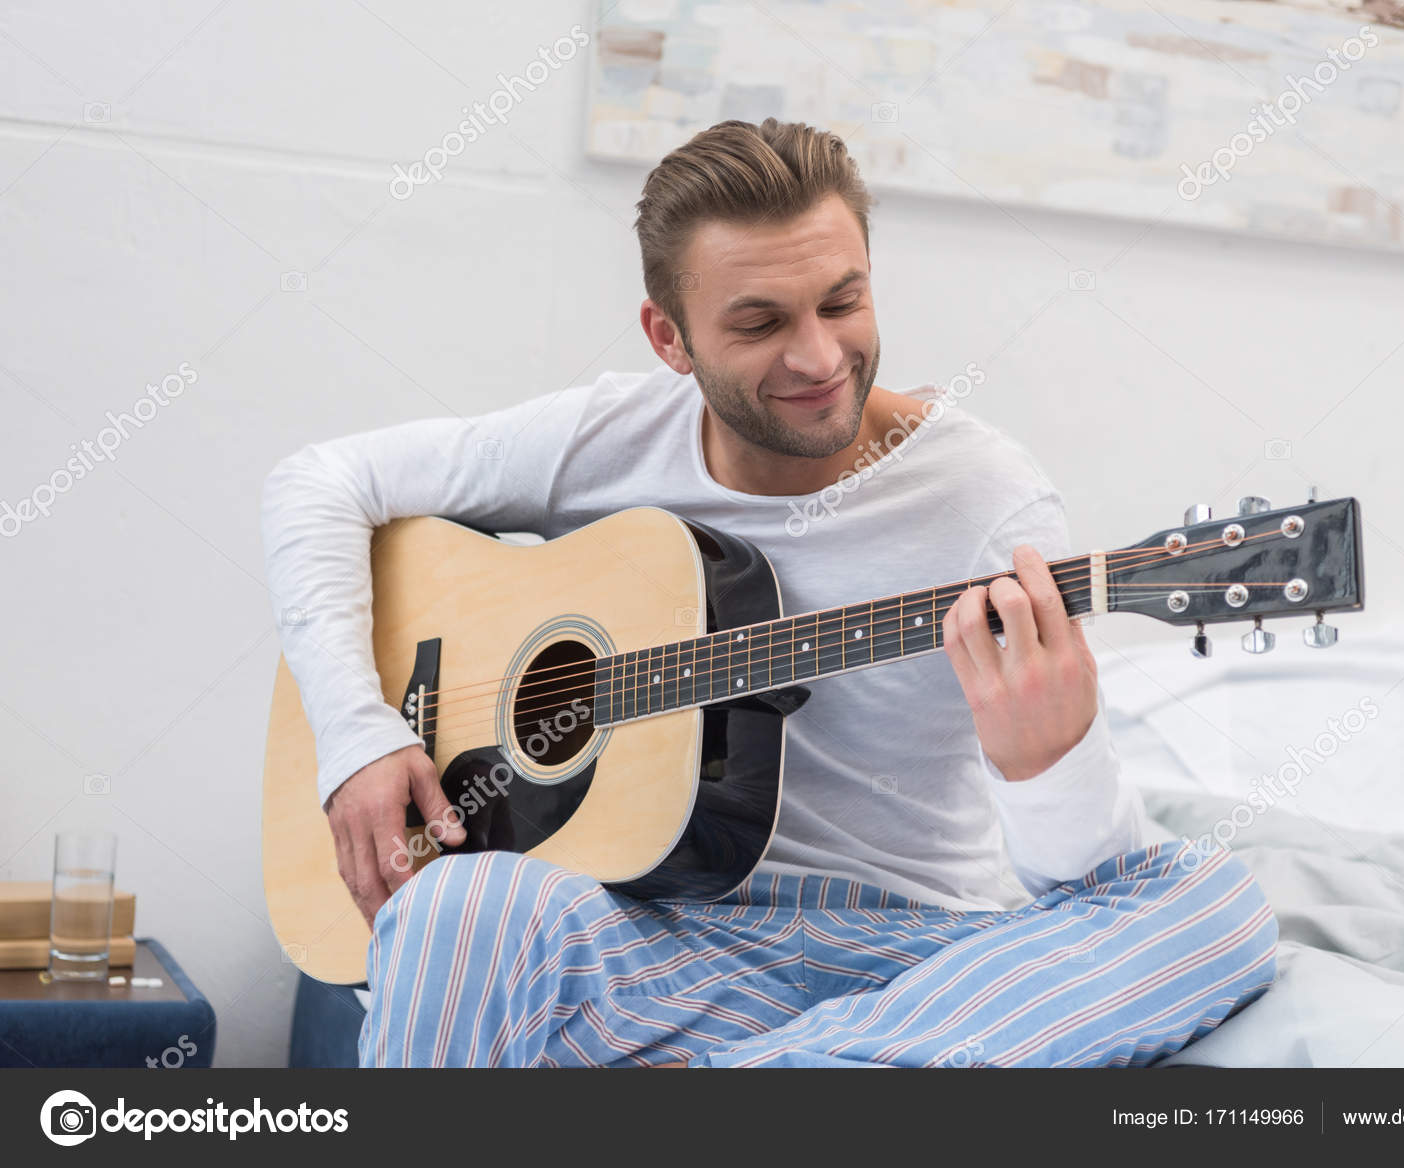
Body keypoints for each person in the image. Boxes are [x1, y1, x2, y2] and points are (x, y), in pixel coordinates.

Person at [261, 117, 1276, 1068]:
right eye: (759, 322)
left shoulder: (986, 499)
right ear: (670, 339)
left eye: (843, 301)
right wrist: (359, 737)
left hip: (909, 958)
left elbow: (1080, 888)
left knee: (1212, 909)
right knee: (450, 912)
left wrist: (1046, 764)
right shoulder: (607, 438)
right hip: (657, 949)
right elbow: (320, 481)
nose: (818, 357)